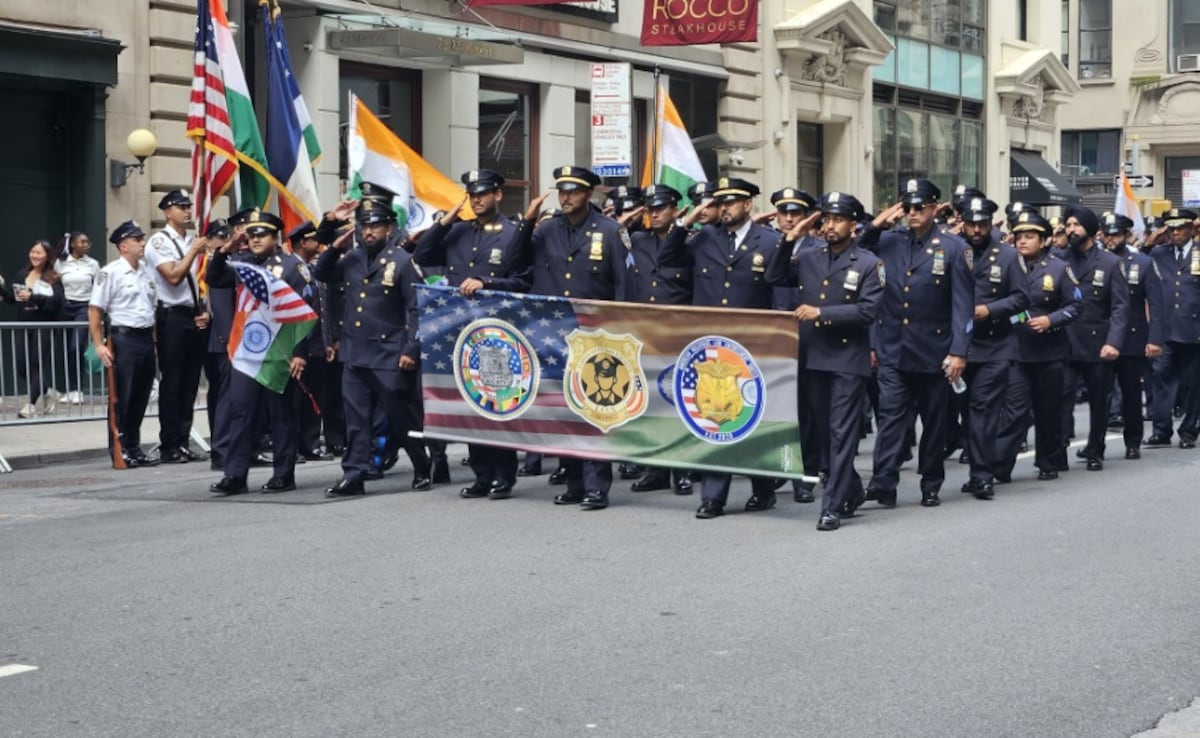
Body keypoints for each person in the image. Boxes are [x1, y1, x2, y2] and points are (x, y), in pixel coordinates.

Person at [504, 165, 628, 510]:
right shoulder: (546, 230)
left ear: (589, 194)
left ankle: (596, 487)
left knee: (592, 412)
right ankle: (573, 481)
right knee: (564, 413)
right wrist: (527, 221)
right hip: (553, 334)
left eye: (574, 191)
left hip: (594, 335)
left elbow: (622, 286)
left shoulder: (610, 231)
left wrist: (617, 334)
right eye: (562, 192)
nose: (567, 197)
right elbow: (513, 264)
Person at [662, 177, 785, 519]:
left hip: (753, 345)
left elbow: (779, 296)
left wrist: (777, 343)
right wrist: (686, 221)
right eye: (722, 202)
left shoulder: (770, 242)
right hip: (712, 344)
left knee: (753, 418)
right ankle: (713, 496)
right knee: (714, 416)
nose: (725, 207)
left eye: (732, 202)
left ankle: (763, 489)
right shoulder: (704, 238)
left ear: (748, 205)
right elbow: (668, 257)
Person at [766, 192, 883, 530]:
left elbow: (868, 310)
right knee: (823, 436)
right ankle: (852, 489)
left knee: (841, 431)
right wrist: (788, 241)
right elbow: (775, 277)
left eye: (838, 219)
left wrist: (822, 313)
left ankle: (830, 505)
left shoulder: (868, 263)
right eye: (826, 219)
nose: (830, 226)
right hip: (813, 356)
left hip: (847, 358)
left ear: (853, 224)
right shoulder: (809, 258)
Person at [414, 168, 529, 500]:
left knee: (497, 402)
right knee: (471, 403)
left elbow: (523, 281)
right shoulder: (458, 232)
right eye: (471, 195)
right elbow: (422, 256)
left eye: (482, 194)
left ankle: (503, 475)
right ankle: (481, 474)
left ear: (497, 195)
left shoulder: (512, 233)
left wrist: (487, 283)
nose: (476, 200)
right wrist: (445, 221)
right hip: (462, 332)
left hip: (498, 331)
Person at [858, 179, 972, 508]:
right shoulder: (891, 241)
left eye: (919, 208)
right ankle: (883, 482)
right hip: (894, 347)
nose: (912, 213)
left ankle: (931, 481)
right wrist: (877, 224)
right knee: (892, 417)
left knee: (934, 421)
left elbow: (962, 305)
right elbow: (858, 251)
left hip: (934, 351)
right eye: (907, 208)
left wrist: (958, 351)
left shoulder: (953, 248)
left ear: (935, 208)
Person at [313, 184, 431, 497]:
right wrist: (334, 247)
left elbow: (417, 308)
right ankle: (354, 475)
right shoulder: (351, 258)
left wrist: (411, 349)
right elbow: (322, 274)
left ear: (388, 228)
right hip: (355, 352)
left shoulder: (402, 261)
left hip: (389, 353)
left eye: (375, 225)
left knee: (399, 417)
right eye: (364, 226)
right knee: (356, 419)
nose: (368, 231)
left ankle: (422, 463)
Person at [204, 210, 314, 495]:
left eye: (261, 234)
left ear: (275, 237)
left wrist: (301, 353)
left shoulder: (292, 267)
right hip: (247, 350)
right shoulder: (240, 262)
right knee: (240, 412)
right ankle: (235, 474)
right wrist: (223, 251)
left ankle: (283, 473)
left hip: (279, 351)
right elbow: (214, 278)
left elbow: (306, 312)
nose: (254, 240)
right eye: (251, 235)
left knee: (280, 415)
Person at [994, 211, 1080, 481]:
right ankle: (999, 466)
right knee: (1014, 410)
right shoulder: (1008, 265)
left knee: (1048, 410)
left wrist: (1050, 320)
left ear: (1044, 241)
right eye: (1018, 236)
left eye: (1029, 237)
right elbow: (1000, 302)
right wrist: (1021, 318)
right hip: (1015, 349)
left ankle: (1049, 460)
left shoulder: (1058, 268)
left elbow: (1076, 304)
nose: (1022, 242)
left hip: (1049, 351)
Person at [622, 183, 694, 495]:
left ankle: (682, 469)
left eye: (660, 208)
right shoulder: (638, 240)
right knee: (649, 402)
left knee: (678, 402)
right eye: (649, 209)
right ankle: (656, 469)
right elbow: (614, 237)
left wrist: (680, 228)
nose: (653, 214)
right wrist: (626, 219)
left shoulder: (688, 243)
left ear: (675, 210)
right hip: (645, 333)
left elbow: (671, 258)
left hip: (677, 333)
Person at [958, 196, 1030, 498]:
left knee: (983, 412)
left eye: (982, 224)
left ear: (990, 225)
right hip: (959, 346)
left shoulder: (1007, 255)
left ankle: (983, 474)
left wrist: (990, 310)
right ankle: (977, 469)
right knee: (965, 413)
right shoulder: (951, 250)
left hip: (995, 345)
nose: (976, 229)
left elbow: (1021, 299)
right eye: (972, 224)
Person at [1059, 205, 1128, 471]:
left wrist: (1114, 342)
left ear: (1091, 229)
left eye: (1076, 225)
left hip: (1097, 343)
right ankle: (1059, 449)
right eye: (1068, 225)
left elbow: (1121, 307)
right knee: (1061, 398)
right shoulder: (1058, 258)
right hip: (1064, 341)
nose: (1071, 229)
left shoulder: (1110, 263)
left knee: (1099, 400)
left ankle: (1095, 449)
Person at [144, 189, 209, 463]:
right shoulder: (160, 241)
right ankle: (169, 443)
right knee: (173, 382)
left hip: (192, 314)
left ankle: (183, 440)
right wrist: (194, 251)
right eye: (180, 206)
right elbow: (172, 277)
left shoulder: (190, 239)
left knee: (190, 383)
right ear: (167, 211)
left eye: (188, 206)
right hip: (171, 315)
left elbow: (198, 281)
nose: (186, 211)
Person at [87, 221, 159, 467]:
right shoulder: (111, 272)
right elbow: (95, 310)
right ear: (123, 245)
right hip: (123, 338)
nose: (142, 243)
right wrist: (99, 344)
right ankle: (120, 448)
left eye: (142, 239)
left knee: (140, 396)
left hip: (145, 338)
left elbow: (152, 309)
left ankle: (134, 446)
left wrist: (154, 342)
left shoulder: (146, 271)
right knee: (122, 398)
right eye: (137, 240)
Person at [1099, 213, 1162, 458]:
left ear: (1126, 235)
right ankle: (1097, 444)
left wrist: (1155, 339)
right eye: (1107, 234)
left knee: (1131, 393)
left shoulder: (1142, 263)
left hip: (1132, 337)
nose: (1111, 238)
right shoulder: (1097, 261)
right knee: (1100, 394)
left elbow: (1156, 304)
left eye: (1116, 234)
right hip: (1102, 337)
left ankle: (1133, 441)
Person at [1145, 208, 1200, 449]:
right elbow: (1137, 257)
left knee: (1192, 384)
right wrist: (1157, 235)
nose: (1176, 232)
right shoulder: (1159, 253)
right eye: (1172, 228)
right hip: (1165, 330)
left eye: (1181, 228)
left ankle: (1188, 431)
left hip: (1194, 328)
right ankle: (1161, 430)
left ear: (1191, 229)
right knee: (1161, 379)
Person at [287, 221, 335, 462]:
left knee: (315, 395)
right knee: (295, 398)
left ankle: (311, 442)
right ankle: (293, 445)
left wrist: (327, 340)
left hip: (315, 341)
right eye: (314, 239)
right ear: (303, 242)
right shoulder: (291, 268)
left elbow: (321, 308)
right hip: (297, 342)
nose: (318, 243)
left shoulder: (312, 268)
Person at [2, 240, 65, 418]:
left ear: (47, 256)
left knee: (36, 365)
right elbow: (14, 298)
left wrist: (34, 297)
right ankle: (46, 392)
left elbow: (57, 303)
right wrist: (2, 289)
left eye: (39, 253)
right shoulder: (23, 274)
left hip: (44, 326)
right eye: (33, 252)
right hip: (24, 325)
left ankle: (30, 405)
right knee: (22, 366)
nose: (35, 256)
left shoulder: (53, 277)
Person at [199, 219, 235, 470]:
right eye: (220, 236)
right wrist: (226, 337)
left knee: (236, 398)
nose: (225, 240)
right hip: (222, 339)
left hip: (237, 339)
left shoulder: (236, 261)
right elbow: (218, 304)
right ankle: (220, 452)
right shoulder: (214, 264)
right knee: (224, 398)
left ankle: (240, 447)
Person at [56, 232, 101, 405]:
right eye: (81, 241)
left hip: (84, 306)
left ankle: (78, 389)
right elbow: (53, 281)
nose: (85, 244)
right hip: (66, 305)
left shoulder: (93, 264)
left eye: (87, 242)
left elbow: (98, 286)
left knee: (76, 346)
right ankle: (71, 389)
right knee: (68, 349)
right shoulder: (61, 263)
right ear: (73, 244)